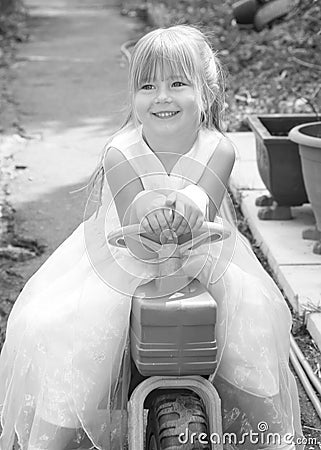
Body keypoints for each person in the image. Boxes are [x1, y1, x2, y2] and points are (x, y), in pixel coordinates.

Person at [0, 24, 304, 450]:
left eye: (178, 83)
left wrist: (189, 207)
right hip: (122, 258)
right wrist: (152, 212)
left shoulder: (218, 147)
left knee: (251, 315)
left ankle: (264, 434)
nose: (161, 96)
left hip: (201, 253)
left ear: (206, 93)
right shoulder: (120, 150)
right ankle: (57, 435)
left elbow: (205, 197)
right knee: (68, 327)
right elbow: (133, 207)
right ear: (134, 96)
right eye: (147, 86)